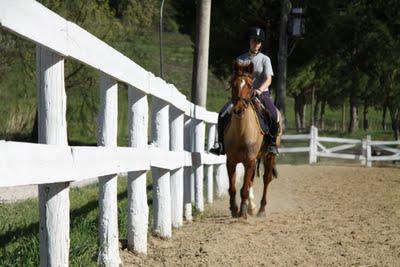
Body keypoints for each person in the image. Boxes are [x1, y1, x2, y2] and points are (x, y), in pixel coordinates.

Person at [210, 26, 279, 155]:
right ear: (249, 41)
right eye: (253, 40)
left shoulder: (265, 59)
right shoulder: (240, 59)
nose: (255, 43)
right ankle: (220, 144)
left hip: (260, 94)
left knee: (273, 114)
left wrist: (259, 90)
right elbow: (236, 78)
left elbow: (268, 80)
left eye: (258, 41)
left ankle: (272, 144)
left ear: (261, 44)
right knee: (223, 113)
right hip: (242, 95)